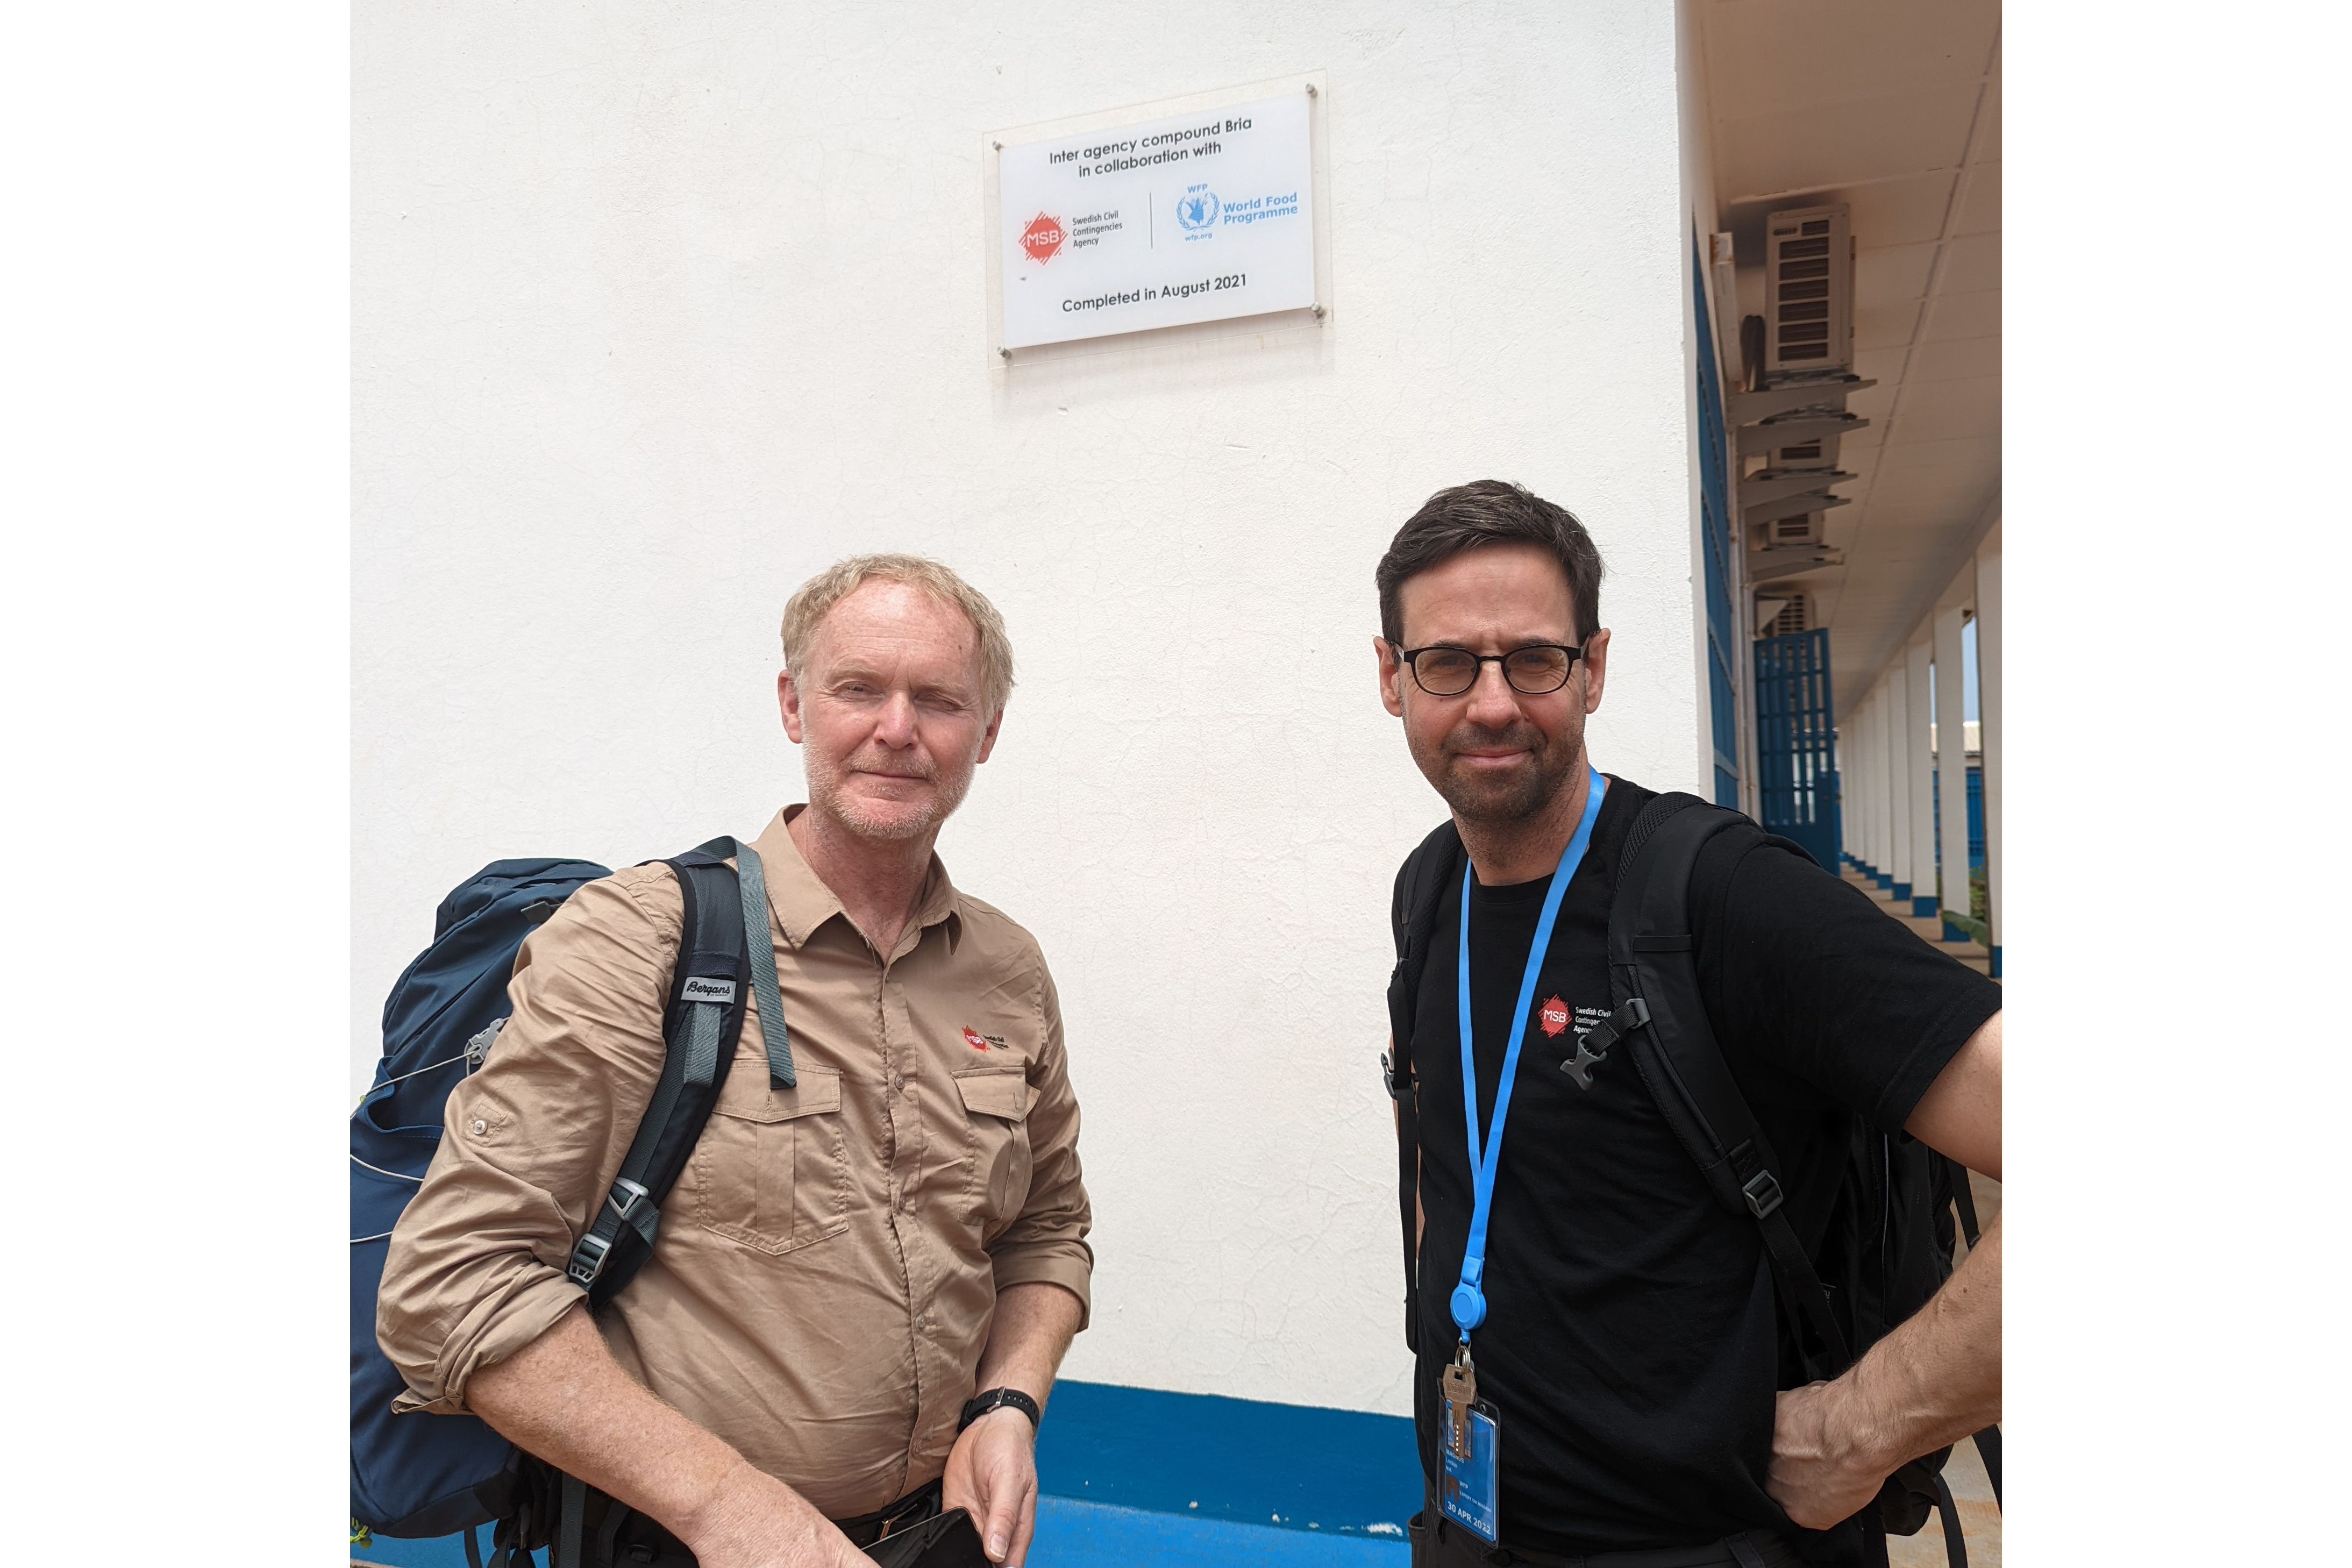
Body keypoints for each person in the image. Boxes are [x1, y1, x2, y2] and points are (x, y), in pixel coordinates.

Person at [378, 555, 1093, 1568]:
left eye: (938, 700)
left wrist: (1008, 1401)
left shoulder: (1006, 969)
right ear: (794, 705)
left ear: (987, 733)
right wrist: (728, 1507)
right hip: (685, 1543)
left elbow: (1047, 1230)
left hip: (941, 1533)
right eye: (859, 689)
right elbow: (455, 1282)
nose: (897, 729)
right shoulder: (644, 939)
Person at [1371, 482, 2000, 1567]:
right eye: (1446, 663)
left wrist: (1863, 1428)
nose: (1490, 703)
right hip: (1480, 1528)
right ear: (1391, 678)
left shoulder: (1724, 899)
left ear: (1595, 666)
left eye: (1533, 658)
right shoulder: (1432, 890)